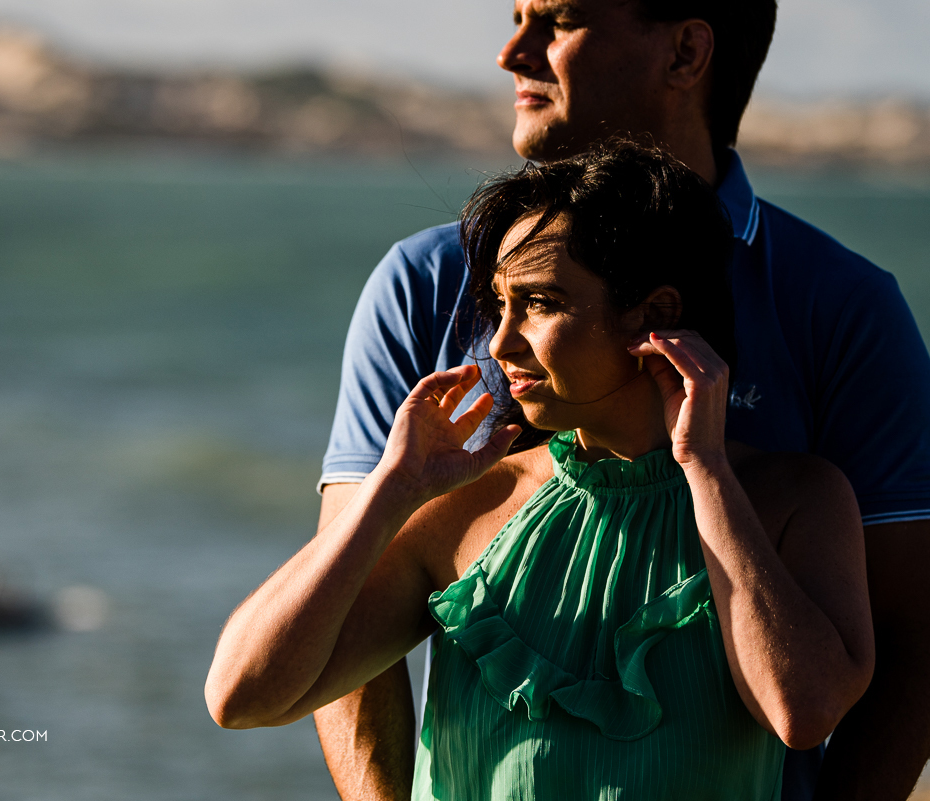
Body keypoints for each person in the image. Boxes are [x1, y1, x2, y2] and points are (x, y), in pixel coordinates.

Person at [315, 2, 930, 800]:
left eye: (559, 20)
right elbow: (338, 616)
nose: (512, 52)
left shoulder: (842, 307)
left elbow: (913, 642)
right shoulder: (421, 286)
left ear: (685, 52)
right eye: (516, 16)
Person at [206, 143, 875, 800]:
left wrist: (705, 468)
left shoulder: (793, 500)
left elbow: (802, 712)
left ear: (656, 315)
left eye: (540, 303)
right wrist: (390, 489)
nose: (501, 342)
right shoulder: (471, 504)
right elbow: (240, 696)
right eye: (500, 303)